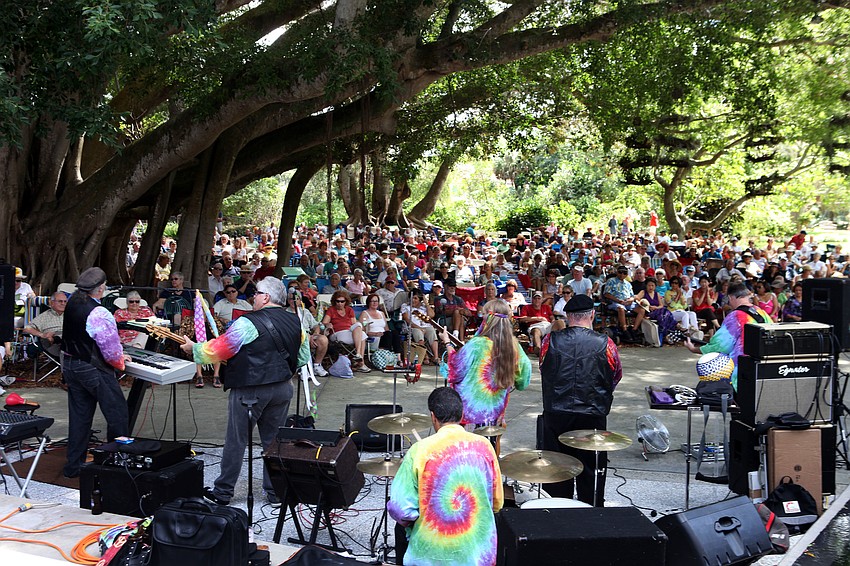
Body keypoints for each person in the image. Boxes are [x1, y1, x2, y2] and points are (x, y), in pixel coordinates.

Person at [180, 277, 308, 505]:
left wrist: (194, 349)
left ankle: (223, 492)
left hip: (250, 390)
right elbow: (303, 357)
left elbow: (220, 349)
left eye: (257, 293)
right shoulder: (296, 321)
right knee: (273, 442)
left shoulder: (248, 322)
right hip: (282, 388)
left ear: (266, 297)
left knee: (236, 441)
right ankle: (275, 492)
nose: (253, 297)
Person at [388, 387, 503, 566]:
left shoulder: (419, 450)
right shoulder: (485, 447)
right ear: (462, 413)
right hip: (478, 556)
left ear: (433, 416)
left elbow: (401, 509)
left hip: (430, 556)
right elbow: (497, 502)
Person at [539, 293, 622, 506]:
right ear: (592, 315)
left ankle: (558, 510)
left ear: (567, 316)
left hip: (556, 412)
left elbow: (543, 368)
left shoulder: (550, 340)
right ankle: (591, 510)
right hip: (592, 414)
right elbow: (616, 375)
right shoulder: (606, 343)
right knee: (591, 469)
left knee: (557, 467)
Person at [61, 268, 131, 478]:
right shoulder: (99, 313)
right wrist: (122, 361)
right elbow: (110, 351)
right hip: (92, 368)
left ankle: (73, 467)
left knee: (79, 418)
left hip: (70, 364)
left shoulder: (72, 301)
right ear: (101, 289)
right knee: (118, 414)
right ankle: (116, 468)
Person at [444, 299, 531, 431]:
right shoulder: (515, 347)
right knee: (489, 449)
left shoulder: (476, 344)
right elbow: (523, 381)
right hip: (495, 416)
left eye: (482, 315)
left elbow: (455, 369)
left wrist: (447, 343)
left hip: (470, 418)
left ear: (488, 319)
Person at [684, 282, 770, 390]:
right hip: (764, 367)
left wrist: (694, 349)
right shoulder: (762, 312)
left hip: (742, 371)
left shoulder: (735, 316)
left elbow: (720, 346)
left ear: (730, 297)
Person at [322, 290, 370, 371]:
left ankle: (358, 356)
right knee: (362, 336)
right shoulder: (331, 310)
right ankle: (361, 362)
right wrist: (327, 324)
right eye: (337, 301)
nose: (339, 303)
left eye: (342, 301)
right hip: (336, 333)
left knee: (359, 328)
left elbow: (354, 323)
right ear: (334, 301)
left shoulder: (349, 310)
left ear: (346, 301)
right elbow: (324, 322)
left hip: (349, 332)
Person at [23, 291, 67, 357]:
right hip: (53, 344)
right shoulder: (44, 316)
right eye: (60, 301)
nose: (63, 303)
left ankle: (58, 339)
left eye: (65, 301)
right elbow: (27, 328)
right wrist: (42, 334)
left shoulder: (71, 315)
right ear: (52, 303)